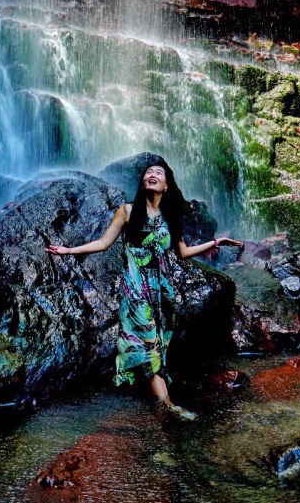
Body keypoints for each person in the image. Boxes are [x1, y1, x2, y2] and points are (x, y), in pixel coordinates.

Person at [45, 158, 243, 418]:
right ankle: (167, 404)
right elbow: (103, 243)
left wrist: (215, 242)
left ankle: (155, 397)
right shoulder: (127, 211)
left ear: (166, 186)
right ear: (142, 181)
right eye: (148, 172)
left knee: (157, 344)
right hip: (135, 290)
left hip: (159, 290)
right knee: (150, 343)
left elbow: (182, 252)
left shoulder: (171, 218)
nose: (152, 174)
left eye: (158, 173)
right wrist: (69, 250)